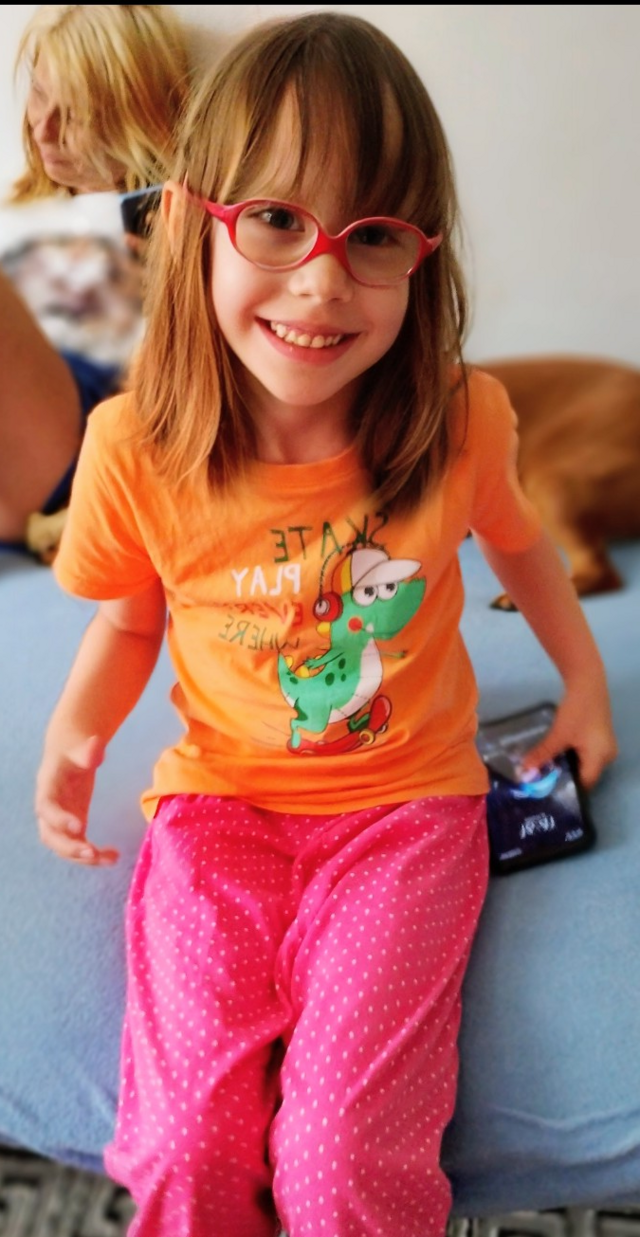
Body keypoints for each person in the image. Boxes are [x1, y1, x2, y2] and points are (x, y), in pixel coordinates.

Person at [35, 12, 618, 1237]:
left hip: (407, 818)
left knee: (343, 1161)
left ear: (420, 257)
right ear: (193, 222)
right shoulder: (131, 448)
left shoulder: (464, 419)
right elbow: (130, 624)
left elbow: (522, 546)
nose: (320, 279)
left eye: (374, 237)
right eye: (275, 220)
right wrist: (75, 738)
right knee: (186, 1147)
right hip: (217, 814)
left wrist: (584, 686)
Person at [0, 4, 190, 546]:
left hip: (88, 419)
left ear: (137, 115)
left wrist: (171, 301)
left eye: (76, 113)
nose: (44, 129)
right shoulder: (22, 210)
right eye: (39, 93)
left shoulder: (182, 224)